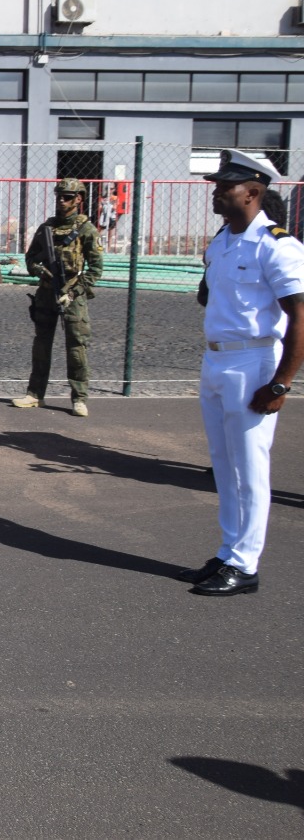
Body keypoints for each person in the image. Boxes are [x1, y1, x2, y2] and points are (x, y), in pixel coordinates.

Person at [175, 149, 304, 597]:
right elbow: (210, 298)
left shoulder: (277, 246)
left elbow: (299, 319)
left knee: (250, 469)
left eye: (224, 187)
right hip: (216, 360)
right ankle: (229, 551)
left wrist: (281, 383)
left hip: (254, 363)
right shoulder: (222, 241)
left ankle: (246, 563)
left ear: (252, 192)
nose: (216, 192)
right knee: (225, 466)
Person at [12, 177, 104, 417]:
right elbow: (31, 258)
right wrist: (40, 270)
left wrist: (74, 291)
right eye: (59, 197)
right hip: (46, 292)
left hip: (73, 294)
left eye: (68, 197)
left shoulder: (86, 229)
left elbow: (95, 269)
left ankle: (79, 398)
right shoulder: (47, 228)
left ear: (79, 199)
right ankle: (35, 394)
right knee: (41, 345)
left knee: (76, 347)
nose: (62, 201)